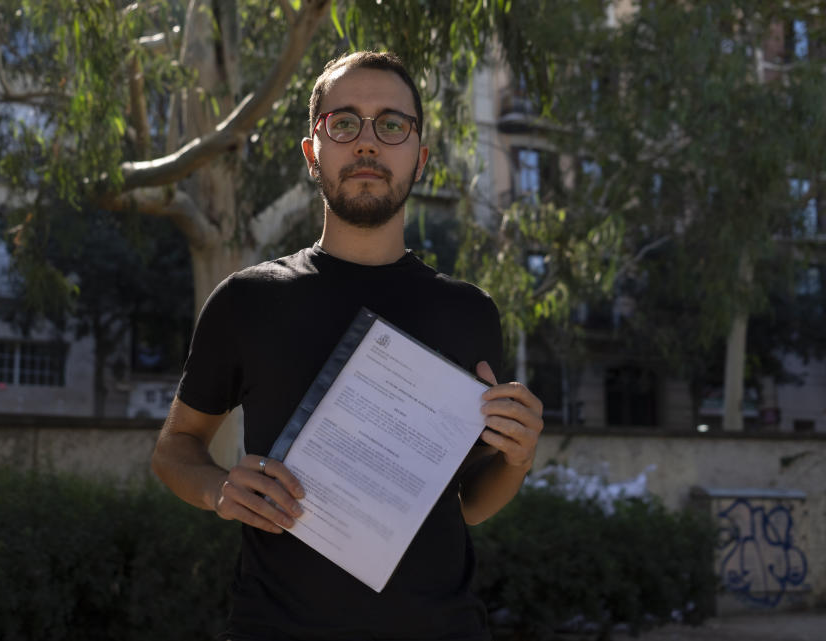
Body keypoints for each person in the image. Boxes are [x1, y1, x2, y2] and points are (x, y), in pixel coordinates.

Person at [151, 50, 544, 641]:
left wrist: (519, 455)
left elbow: (466, 504)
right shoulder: (248, 300)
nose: (367, 143)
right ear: (313, 151)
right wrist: (218, 487)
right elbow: (174, 448)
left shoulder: (469, 313)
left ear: (420, 158)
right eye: (344, 123)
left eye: (391, 125)